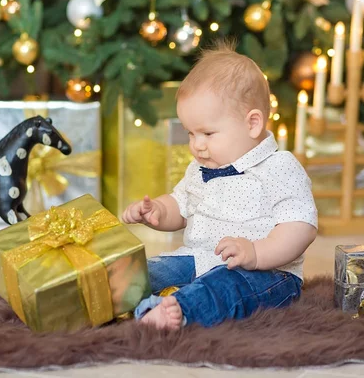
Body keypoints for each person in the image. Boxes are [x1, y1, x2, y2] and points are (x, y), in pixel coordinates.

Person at [122, 40, 318, 330]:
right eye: (190, 133)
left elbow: (301, 227)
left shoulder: (280, 167)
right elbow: (180, 205)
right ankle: (114, 299)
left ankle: (181, 311)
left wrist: (256, 253)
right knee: (150, 271)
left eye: (208, 133)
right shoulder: (200, 168)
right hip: (197, 257)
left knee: (224, 288)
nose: (197, 145)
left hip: (265, 274)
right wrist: (158, 212)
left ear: (252, 124)